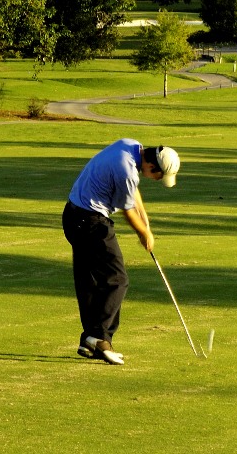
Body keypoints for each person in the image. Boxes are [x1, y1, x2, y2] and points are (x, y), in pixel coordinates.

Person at [62, 139, 180, 365]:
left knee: (90, 280)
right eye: (158, 176)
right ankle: (100, 338)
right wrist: (144, 234)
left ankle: (90, 339)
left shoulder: (131, 146)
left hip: (73, 215)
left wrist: (146, 221)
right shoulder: (127, 171)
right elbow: (127, 209)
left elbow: (133, 193)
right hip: (90, 221)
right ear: (152, 167)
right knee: (117, 279)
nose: (156, 180)